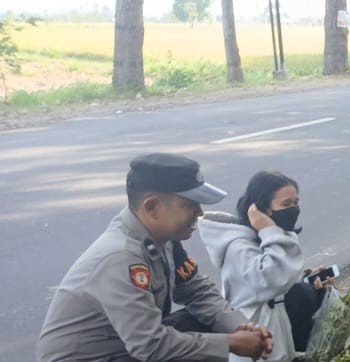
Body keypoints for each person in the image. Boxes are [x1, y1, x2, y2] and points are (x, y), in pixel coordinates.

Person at [37, 153, 273, 362]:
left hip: (122, 349)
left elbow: (197, 291)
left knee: (200, 325)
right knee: (201, 345)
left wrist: (244, 328)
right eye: (190, 205)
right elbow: (151, 347)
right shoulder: (121, 257)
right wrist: (231, 343)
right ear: (152, 207)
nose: (199, 213)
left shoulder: (163, 239)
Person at [199, 171, 328, 362]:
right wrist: (270, 230)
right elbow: (272, 279)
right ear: (260, 208)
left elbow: (280, 284)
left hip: (275, 341)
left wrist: (310, 285)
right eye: (286, 204)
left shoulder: (264, 240)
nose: (293, 210)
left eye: (295, 203)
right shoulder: (239, 248)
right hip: (254, 347)